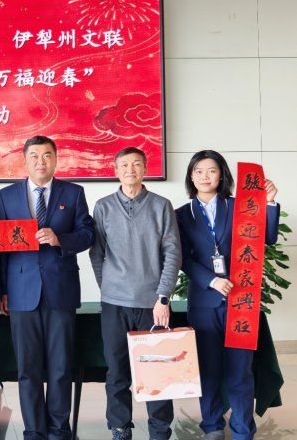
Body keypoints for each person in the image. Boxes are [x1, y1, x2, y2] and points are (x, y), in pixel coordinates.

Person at [175, 150, 279, 440]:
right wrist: (211, 281)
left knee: (240, 371)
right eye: (198, 171)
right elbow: (182, 258)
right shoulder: (181, 214)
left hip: (241, 301)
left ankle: (243, 430)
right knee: (208, 370)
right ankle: (212, 426)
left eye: (211, 170)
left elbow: (267, 238)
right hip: (204, 303)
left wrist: (269, 202)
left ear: (221, 175)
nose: (204, 176)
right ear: (191, 176)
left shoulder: (240, 206)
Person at [0, 135, 94, 440]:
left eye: (47, 155)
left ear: (56, 159)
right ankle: (34, 430)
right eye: (35, 156)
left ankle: (59, 430)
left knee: (61, 366)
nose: (41, 161)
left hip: (60, 290)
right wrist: (1, 291)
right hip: (20, 292)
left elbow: (88, 234)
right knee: (28, 369)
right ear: (25, 160)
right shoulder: (6, 196)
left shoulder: (73, 193)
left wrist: (59, 239)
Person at [89, 147, 181, 440]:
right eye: (125, 165)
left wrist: (163, 296)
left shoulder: (161, 205)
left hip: (152, 303)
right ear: (116, 170)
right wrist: (108, 286)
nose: (130, 170)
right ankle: (120, 428)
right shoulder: (103, 206)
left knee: (157, 370)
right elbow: (97, 253)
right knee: (116, 371)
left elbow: (172, 252)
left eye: (136, 164)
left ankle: (160, 430)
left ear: (145, 168)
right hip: (114, 303)